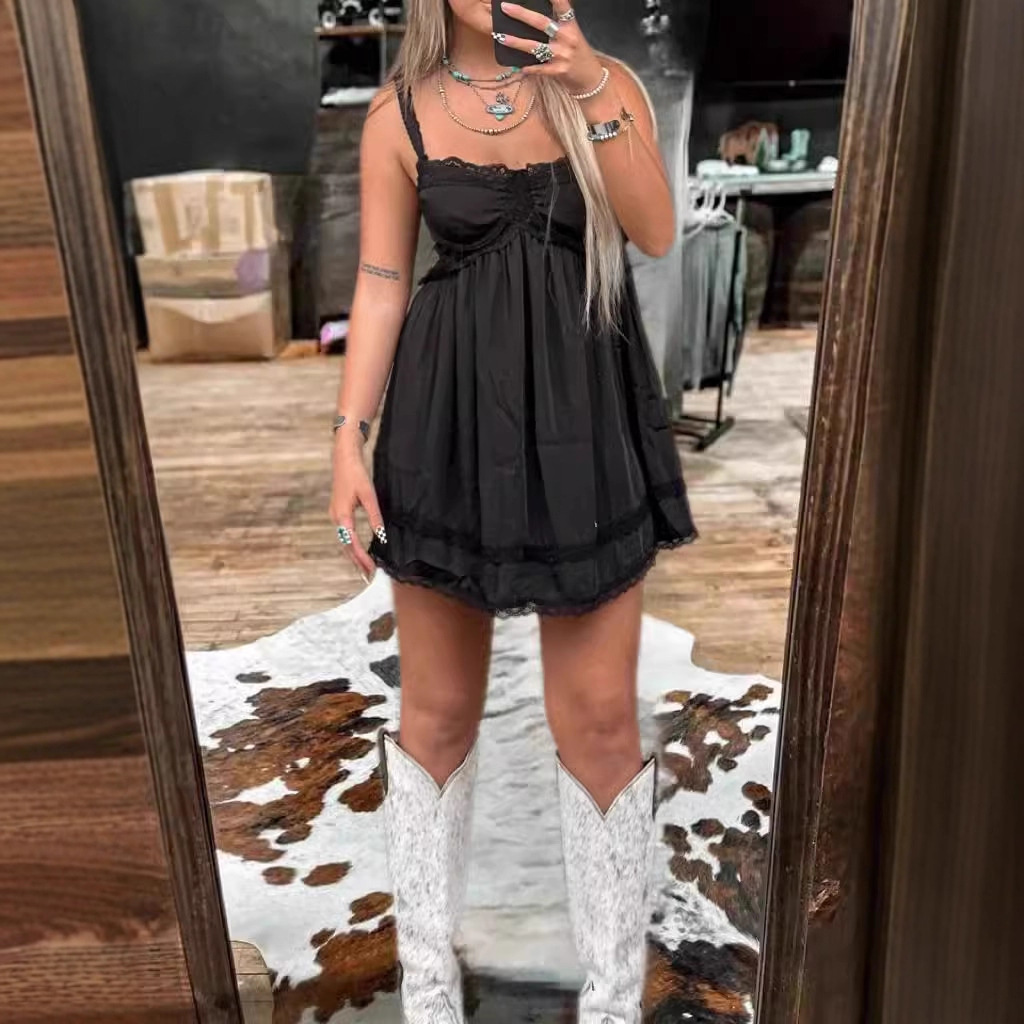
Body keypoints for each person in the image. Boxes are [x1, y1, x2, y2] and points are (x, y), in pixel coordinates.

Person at [329, 1, 696, 1021]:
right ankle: (430, 995)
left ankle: (612, 1002)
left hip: (587, 424)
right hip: (446, 425)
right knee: (437, 714)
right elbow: (380, 282)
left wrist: (585, 82)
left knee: (600, 721)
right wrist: (348, 436)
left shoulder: (605, 85)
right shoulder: (397, 115)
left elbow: (655, 231)